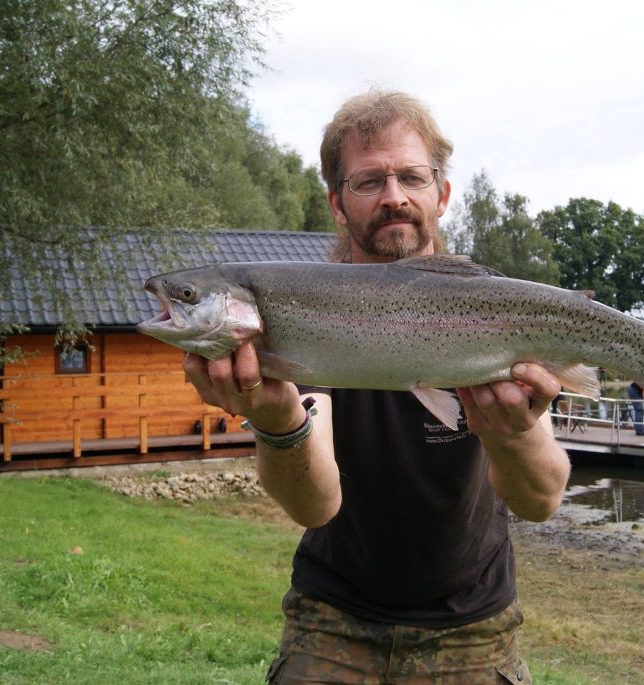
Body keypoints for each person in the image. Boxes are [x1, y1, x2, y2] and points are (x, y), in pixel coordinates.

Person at [183, 89, 570, 684]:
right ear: (338, 204)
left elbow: (541, 501)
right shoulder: (300, 317)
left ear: (440, 194)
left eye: (411, 177)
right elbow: (316, 505)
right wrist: (275, 418)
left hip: (475, 625)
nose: (394, 197)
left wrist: (513, 435)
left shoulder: (493, 302)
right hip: (332, 620)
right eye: (368, 182)